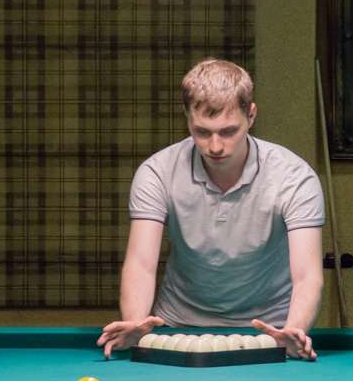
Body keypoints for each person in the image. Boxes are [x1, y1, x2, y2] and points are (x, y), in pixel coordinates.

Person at [98, 59, 324, 361]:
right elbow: (141, 263)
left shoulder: (294, 176)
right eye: (202, 131)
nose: (215, 146)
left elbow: (307, 274)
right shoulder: (157, 172)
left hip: (270, 333)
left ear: (251, 115)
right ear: (187, 116)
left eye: (228, 131)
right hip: (176, 330)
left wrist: (294, 330)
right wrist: (136, 324)